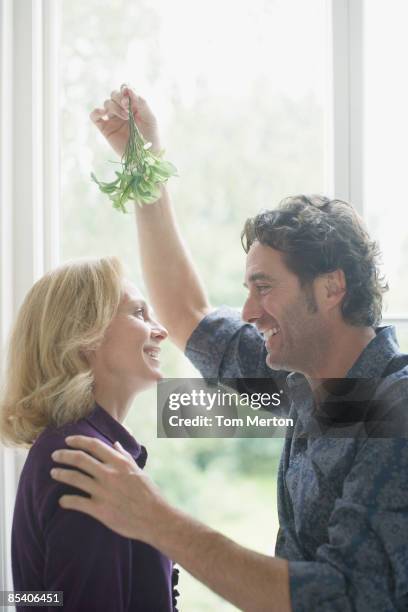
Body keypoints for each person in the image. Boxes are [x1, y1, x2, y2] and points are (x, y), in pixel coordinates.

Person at [50, 86, 408, 611]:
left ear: (332, 289)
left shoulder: (393, 410)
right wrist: (142, 160)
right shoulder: (301, 382)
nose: (247, 312)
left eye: (264, 288)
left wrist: (156, 520)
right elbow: (188, 315)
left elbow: (341, 599)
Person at [0, 256, 180, 611]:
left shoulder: (78, 447)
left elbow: (43, 598)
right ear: (86, 334)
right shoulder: (85, 460)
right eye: (139, 313)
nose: (161, 331)